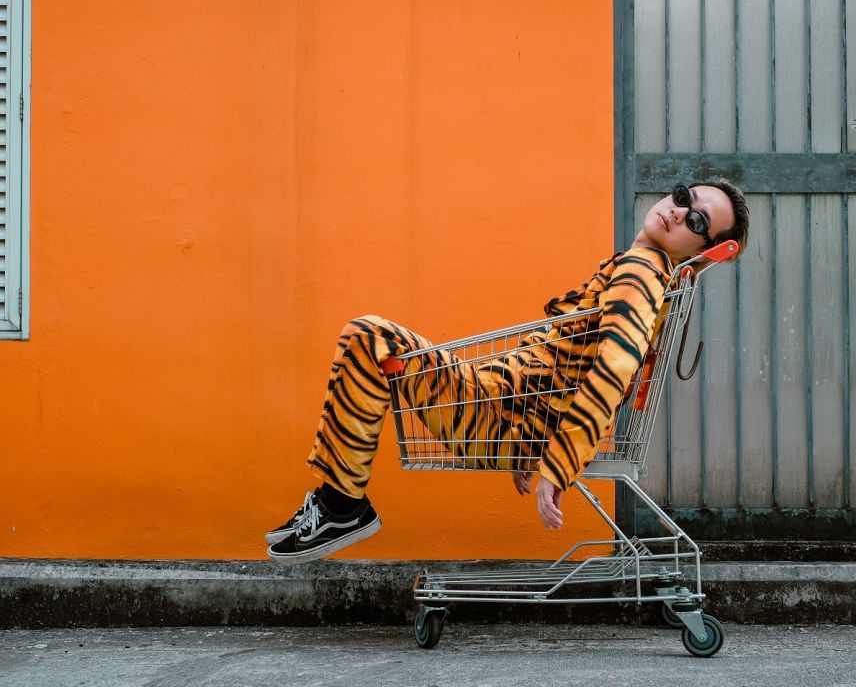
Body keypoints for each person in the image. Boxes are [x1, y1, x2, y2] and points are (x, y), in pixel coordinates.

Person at [267, 181, 750, 564]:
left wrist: (556, 465)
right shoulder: (637, 267)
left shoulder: (641, 272)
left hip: (493, 412)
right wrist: (534, 433)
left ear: (702, 249)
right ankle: (335, 503)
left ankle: (340, 505)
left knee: (368, 336)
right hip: (503, 408)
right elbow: (567, 367)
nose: (679, 212)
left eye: (697, 220)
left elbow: (612, 371)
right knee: (372, 339)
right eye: (684, 197)